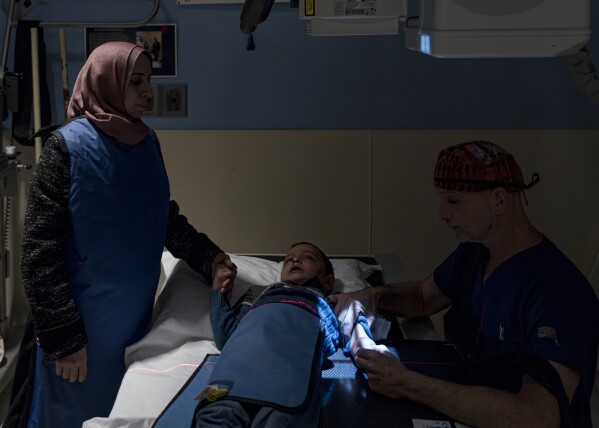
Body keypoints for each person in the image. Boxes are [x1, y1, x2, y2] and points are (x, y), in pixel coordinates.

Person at [18, 41, 236, 428]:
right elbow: (39, 251)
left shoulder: (147, 142)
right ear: (107, 82)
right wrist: (65, 340)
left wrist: (209, 257)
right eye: (136, 82)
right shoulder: (65, 148)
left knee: (120, 416)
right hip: (79, 331)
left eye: (148, 81)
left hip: (133, 324)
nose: (148, 92)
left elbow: (162, 218)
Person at [329, 141, 599, 428]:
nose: (442, 214)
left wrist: (408, 384)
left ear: (498, 200)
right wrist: (372, 296)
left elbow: (538, 416)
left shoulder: (560, 293)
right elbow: (423, 296)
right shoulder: (475, 253)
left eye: (454, 201)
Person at [193, 242, 386, 428]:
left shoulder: (331, 303)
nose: (295, 261)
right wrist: (218, 290)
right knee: (215, 418)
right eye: (289, 260)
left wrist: (371, 353)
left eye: (307, 258)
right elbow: (225, 335)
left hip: (288, 387)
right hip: (233, 380)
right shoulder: (259, 294)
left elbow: (357, 332)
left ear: (328, 281)